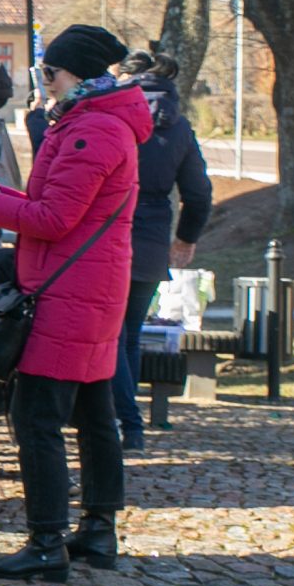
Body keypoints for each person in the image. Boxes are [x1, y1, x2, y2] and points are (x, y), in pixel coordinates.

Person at [0, 23, 150, 581]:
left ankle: (47, 542)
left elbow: (54, 218)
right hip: (88, 287)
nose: (42, 81)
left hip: (70, 293)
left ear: (76, 75)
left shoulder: (93, 129)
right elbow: (53, 202)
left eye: (49, 72)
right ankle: (97, 529)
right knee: (93, 413)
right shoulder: (95, 121)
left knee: (35, 417)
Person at [112, 52, 211, 451]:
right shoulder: (179, 126)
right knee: (130, 336)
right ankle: (130, 425)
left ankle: (120, 420)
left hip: (109, 233)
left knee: (110, 335)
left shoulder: (114, 114)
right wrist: (185, 238)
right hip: (152, 240)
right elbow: (198, 194)